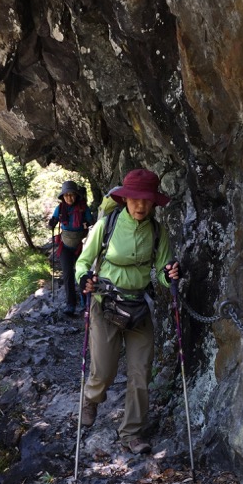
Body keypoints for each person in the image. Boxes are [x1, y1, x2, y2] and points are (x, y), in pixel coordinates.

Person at [75, 168, 179, 454]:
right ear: (125, 199)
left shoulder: (158, 232)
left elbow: (161, 271)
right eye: (135, 199)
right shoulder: (106, 226)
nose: (140, 205)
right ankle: (91, 398)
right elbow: (82, 263)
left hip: (138, 308)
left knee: (140, 373)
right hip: (105, 305)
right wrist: (84, 278)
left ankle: (132, 433)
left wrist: (168, 276)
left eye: (146, 200)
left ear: (154, 202)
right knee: (104, 371)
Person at [48, 181, 94, 316]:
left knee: (82, 274)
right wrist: (51, 223)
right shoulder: (60, 208)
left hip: (81, 245)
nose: (69, 198)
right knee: (68, 275)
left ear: (76, 195)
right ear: (63, 196)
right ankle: (70, 305)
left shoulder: (83, 208)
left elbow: (92, 223)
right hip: (65, 246)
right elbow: (54, 220)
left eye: (72, 195)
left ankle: (86, 302)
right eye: (66, 195)